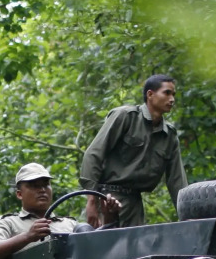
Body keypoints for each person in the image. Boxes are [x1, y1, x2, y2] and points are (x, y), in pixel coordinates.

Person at [80, 74, 188, 228]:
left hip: (134, 205)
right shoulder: (126, 117)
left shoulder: (169, 135)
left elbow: (177, 180)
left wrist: (188, 214)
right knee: (100, 247)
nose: (172, 99)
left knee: (134, 251)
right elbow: (93, 154)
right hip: (106, 199)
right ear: (150, 95)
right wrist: (91, 200)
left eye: (173, 94)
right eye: (167, 93)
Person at [0, 162, 119, 259]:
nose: (42, 190)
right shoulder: (9, 223)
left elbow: (99, 253)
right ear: (19, 194)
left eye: (46, 184)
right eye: (34, 185)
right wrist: (28, 237)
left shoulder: (69, 224)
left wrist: (109, 217)